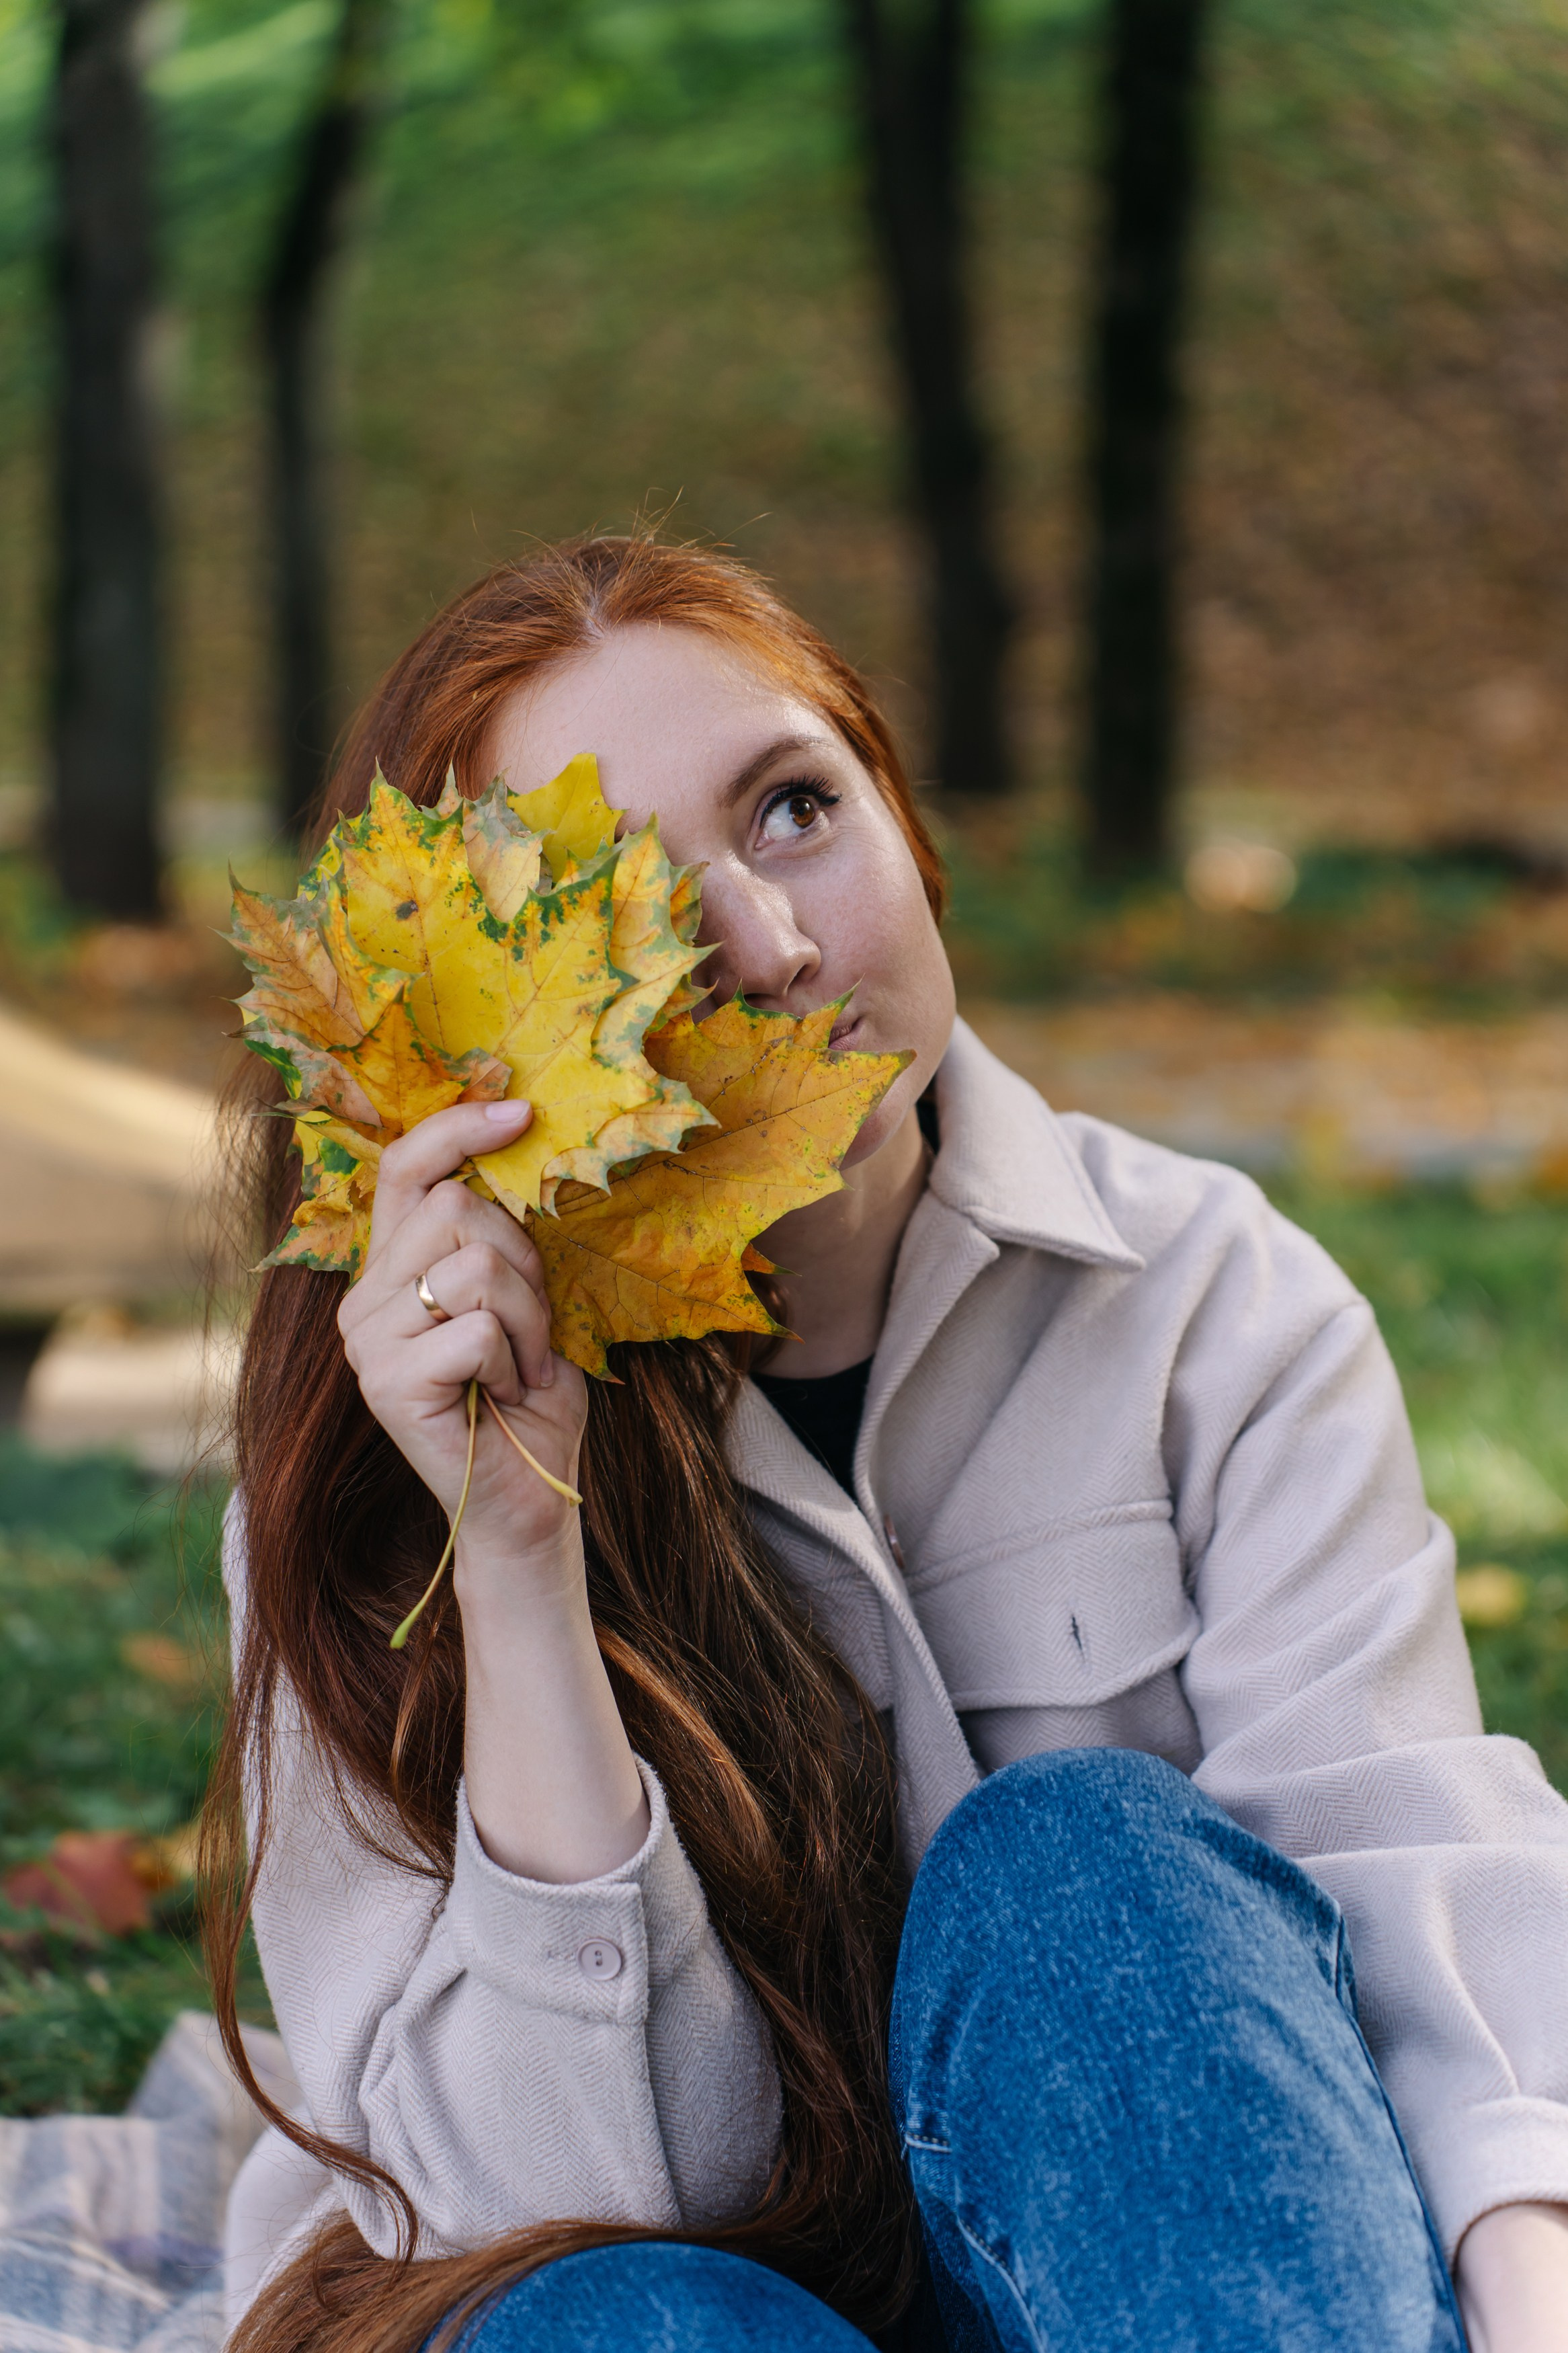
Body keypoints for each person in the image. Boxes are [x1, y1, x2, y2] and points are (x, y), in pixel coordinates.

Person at [210, 535, 1568, 2353]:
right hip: (697, 2298)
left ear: (907, 824)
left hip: (1186, 2277)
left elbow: (1414, 1892)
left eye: (793, 809)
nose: (770, 948)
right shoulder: (375, 1478)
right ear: (471, 1050)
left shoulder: (1214, 1303)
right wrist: (517, 1545)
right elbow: (541, 2205)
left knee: (1083, 1860)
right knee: (612, 2318)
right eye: (627, 913)